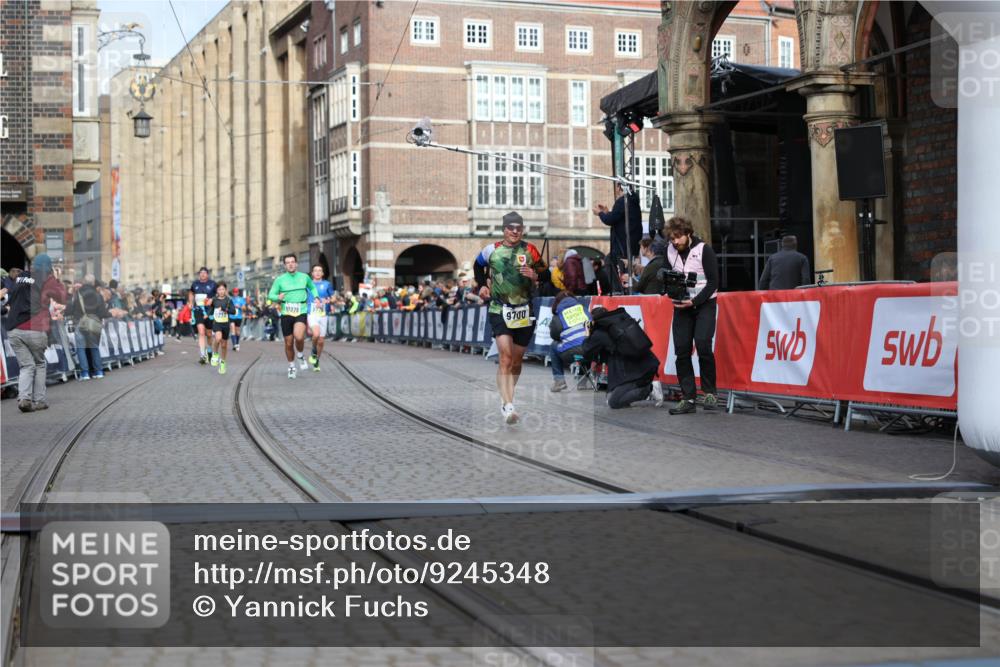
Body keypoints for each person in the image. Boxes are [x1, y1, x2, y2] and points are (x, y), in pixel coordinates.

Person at [473, 211, 546, 424]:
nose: (514, 232)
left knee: (516, 360)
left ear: (522, 230)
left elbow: (546, 273)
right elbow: (478, 266)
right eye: (510, 228)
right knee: (504, 357)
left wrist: (536, 275)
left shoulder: (530, 250)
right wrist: (482, 286)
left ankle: (508, 396)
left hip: (524, 310)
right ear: (504, 229)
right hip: (499, 309)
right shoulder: (491, 250)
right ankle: (507, 404)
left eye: (518, 228)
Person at [664, 216, 719, 415]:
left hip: (704, 304)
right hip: (680, 307)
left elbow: (713, 282)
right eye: (671, 238)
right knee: (681, 350)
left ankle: (710, 392)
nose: (675, 242)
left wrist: (694, 301)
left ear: (688, 234)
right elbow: (666, 275)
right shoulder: (670, 251)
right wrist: (669, 288)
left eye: (678, 237)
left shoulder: (704, 250)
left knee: (703, 344)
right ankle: (688, 398)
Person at [4, 254, 68, 412]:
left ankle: (24, 398)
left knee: (26, 365)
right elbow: (62, 296)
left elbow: (10, 296)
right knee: (39, 364)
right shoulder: (46, 279)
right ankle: (39, 400)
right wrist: (55, 278)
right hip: (34, 328)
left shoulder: (21, 277)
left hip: (13, 330)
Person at [579, 306, 660, 409]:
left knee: (613, 402)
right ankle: (643, 388)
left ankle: (650, 389)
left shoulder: (599, 333)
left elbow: (586, 350)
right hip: (644, 366)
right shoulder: (617, 325)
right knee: (613, 395)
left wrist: (587, 333)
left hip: (634, 374)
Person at [267, 254, 319, 379]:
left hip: (300, 310)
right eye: (287, 262)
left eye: (292, 262)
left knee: (299, 336)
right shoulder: (280, 279)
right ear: (285, 265)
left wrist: (316, 297)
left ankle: (300, 355)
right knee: (289, 343)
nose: (290, 264)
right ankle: (291, 366)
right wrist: (277, 297)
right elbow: (271, 295)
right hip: (286, 313)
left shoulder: (304, 277)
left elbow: (312, 287)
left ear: (296, 264)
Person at [593, 182, 642, 292]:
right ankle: (622, 289)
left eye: (616, 187)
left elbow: (610, 220)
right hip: (629, 243)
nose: (615, 190)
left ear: (620, 187)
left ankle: (619, 290)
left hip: (622, 244)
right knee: (614, 263)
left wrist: (600, 213)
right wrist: (606, 212)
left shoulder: (622, 201)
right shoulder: (633, 201)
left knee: (614, 264)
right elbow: (617, 218)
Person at [67, 274, 110, 380]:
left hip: (79, 323)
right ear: (93, 283)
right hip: (94, 324)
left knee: (81, 348)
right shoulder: (98, 295)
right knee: (94, 347)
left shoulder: (78, 294)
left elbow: (69, 310)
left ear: (83, 282)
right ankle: (99, 371)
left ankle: (85, 373)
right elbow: (103, 312)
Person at [547, 291, 591, 392]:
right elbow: (589, 332)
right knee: (585, 343)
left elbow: (554, 335)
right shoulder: (585, 311)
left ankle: (559, 381)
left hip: (571, 355)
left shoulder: (558, 316)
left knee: (553, 346)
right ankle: (582, 382)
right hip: (589, 355)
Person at [307, 264, 334, 371]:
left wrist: (327, 300)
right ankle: (313, 351)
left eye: (320, 270)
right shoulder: (308, 285)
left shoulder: (327, 284)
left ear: (322, 273)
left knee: (321, 341)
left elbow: (333, 298)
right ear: (312, 273)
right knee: (316, 334)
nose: (317, 272)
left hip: (323, 315)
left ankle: (316, 360)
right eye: (315, 270)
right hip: (312, 313)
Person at [190, 267, 217, 365]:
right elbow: (191, 292)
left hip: (209, 311)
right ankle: (202, 355)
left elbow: (219, 294)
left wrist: (212, 299)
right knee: (201, 332)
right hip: (198, 310)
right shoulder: (195, 284)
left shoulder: (213, 284)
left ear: (207, 274)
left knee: (209, 334)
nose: (202, 274)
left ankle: (209, 351)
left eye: (204, 273)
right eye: (201, 273)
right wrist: (190, 302)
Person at [209, 282, 237, 375]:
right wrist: (207, 313)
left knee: (224, 345)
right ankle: (215, 354)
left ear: (225, 290)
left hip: (225, 324)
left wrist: (225, 309)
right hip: (217, 323)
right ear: (217, 291)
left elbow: (233, 311)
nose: (221, 291)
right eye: (219, 289)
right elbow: (211, 309)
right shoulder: (214, 300)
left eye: (223, 289)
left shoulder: (229, 300)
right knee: (218, 338)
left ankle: (223, 362)